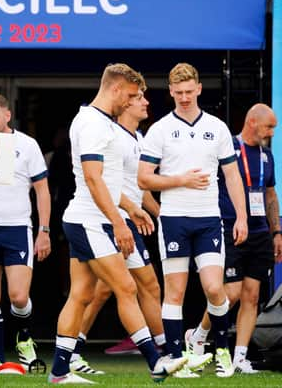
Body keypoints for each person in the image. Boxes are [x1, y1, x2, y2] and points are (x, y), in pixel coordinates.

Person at [49, 64, 187, 384]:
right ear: (114, 89)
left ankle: (58, 371)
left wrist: (132, 208)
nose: (131, 101)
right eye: (129, 95)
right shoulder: (93, 124)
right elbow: (93, 179)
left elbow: (108, 183)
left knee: (81, 295)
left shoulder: (103, 123)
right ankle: (156, 362)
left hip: (93, 219)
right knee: (124, 287)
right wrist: (119, 223)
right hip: (90, 221)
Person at [137, 62, 248, 378]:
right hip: (174, 219)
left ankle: (222, 352)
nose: (184, 98)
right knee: (175, 291)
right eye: (179, 92)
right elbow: (144, 179)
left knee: (215, 288)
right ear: (170, 92)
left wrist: (241, 216)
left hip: (209, 220)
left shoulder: (217, 127)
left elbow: (232, 175)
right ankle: (176, 359)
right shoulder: (159, 129)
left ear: (199, 89)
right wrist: (180, 180)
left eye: (189, 91)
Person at [69, 84, 169, 375]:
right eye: (137, 97)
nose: (145, 102)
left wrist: (153, 213)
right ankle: (161, 353)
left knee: (134, 287)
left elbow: (137, 187)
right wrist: (121, 217)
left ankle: (165, 351)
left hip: (123, 219)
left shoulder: (138, 137)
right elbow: (99, 181)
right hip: (110, 220)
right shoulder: (107, 132)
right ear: (124, 102)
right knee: (106, 290)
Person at [185, 103, 282, 373]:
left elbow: (270, 195)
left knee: (252, 296)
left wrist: (276, 231)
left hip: (261, 232)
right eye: (269, 126)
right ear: (252, 122)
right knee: (231, 292)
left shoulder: (266, 156)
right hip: (230, 227)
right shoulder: (227, 149)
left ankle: (239, 357)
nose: (272, 132)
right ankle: (198, 335)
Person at [0, 93, 51, 369]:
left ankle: (24, 338)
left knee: (18, 296)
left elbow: (42, 190)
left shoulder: (27, 145)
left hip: (18, 227)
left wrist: (44, 230)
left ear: (7, 116)